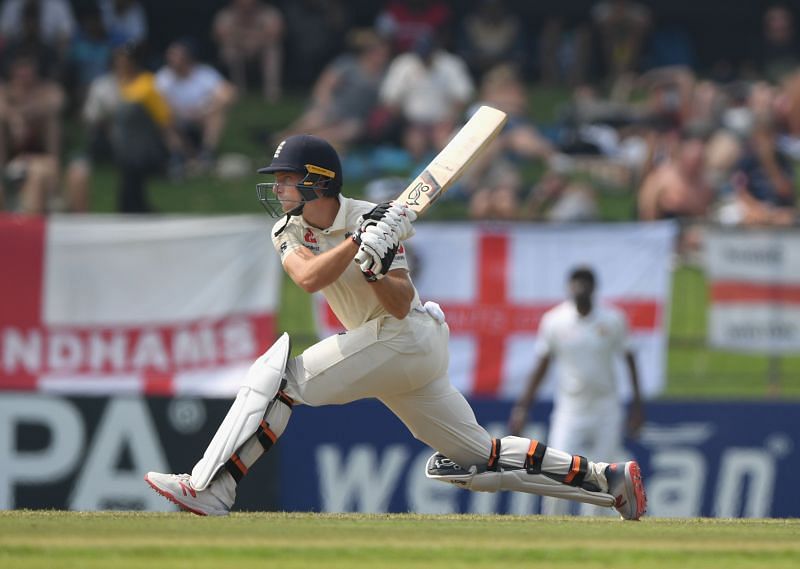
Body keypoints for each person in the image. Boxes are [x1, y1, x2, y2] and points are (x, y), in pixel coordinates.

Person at [144, 134, 647, 521]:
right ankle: (608, 481)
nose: (277, 188)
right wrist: (355, 246)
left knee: (277, 382)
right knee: (478, 457)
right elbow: (308, 279)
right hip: (387, 351)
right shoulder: (290, 229)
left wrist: (375, 266)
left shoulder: (373, 217)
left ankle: (211, 486)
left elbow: (402, 303)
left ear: (317, 182)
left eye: (285, 178)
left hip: (407, 339)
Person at [508, 266, 644, 516]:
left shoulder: (612, 319)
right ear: (568, 287)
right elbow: (542, 366)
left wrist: (637, 407)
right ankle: (553, 526)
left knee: (602, 475)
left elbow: (630, 359)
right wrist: (522, 407)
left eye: (585, 283)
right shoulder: (555, 320)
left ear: (594, 288)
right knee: (558, 471)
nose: (580, 289)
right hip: (570, 408)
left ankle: (594, 533)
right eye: (575, 283)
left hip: (606, 407)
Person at [155, 39, 237, 176]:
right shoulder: (163, 77)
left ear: (187, 58)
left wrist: (207, 109)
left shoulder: (204, 73)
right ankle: (178, 155)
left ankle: (207, 153)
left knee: (217, 115)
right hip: (176, 118)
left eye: (175, 55)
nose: (170, 59)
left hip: (201, 117)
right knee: (162, 119)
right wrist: (176, 113)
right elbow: (157, 102)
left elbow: (229, 93)